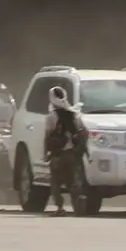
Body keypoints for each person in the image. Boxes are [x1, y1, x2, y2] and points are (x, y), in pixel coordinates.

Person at [44, 86, 88, 215]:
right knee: (74, 182)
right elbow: (84, 132)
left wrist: (45, 153)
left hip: (58, 154)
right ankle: (78, 208)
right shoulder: (75, 114)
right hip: (72, 154)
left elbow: (47, 136)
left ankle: (60, 208)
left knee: (55, 182)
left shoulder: (51, 117)